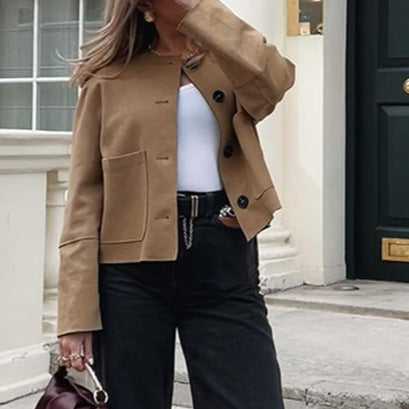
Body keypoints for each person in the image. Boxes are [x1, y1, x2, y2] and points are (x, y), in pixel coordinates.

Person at [56, 0, 296, 408]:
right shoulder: (106, 78)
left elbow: (276, 80)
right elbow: (83, 196)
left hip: (222, 257)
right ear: (145, 6)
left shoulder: (233, 61)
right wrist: (75, 315)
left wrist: (204, 13)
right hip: (129, 272)